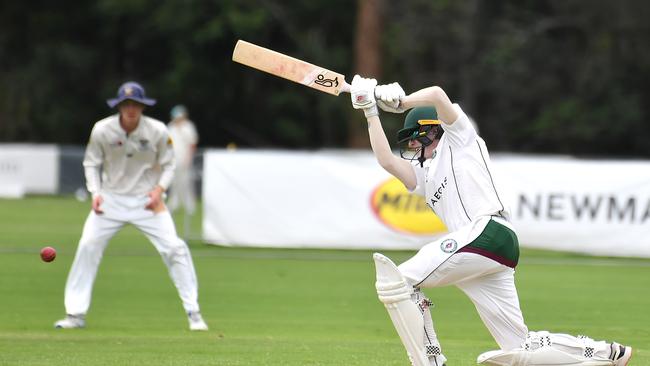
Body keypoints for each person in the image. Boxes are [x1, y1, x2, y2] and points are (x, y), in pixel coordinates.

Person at [349, 75, 632, 366]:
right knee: (520, 345)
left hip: (488, 232)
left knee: (401, 281)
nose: (413, 148)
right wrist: (370, 111)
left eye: (415, 139)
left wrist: (402, 102)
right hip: (484, 252)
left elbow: (436, 94)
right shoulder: (424, 175)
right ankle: (604, 353)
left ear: (431, 131)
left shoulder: (460, 138)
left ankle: (430, 361)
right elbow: (387, 161)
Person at [54, 81, 208, 331]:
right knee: (88, 246)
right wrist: (95, 192)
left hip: (147, 201)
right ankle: (75, 314)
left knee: (174, 248)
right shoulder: (102, 130)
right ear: (119, 107)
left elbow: (169, 164)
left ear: (142, 106)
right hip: (110, 199)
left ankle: (194, 313)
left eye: (135, 104)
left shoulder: (157, 130)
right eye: (126, 104)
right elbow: (91, 164)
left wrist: (159, 190)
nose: (131, 109)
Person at [167, 105, 199, 217]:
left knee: (186, 182)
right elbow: (168, 144)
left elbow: (192, 144)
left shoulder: (188, 127)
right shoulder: (170, 127)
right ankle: (173, 204)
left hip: (185, 159)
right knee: (174, 183)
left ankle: (189, 206)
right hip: (173, 160)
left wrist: (189, 158)